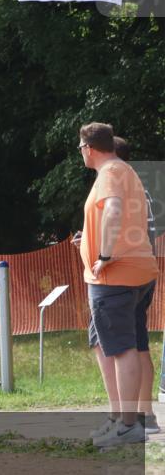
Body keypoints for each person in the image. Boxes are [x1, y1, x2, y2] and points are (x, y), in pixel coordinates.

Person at [74, 123, 157, 447]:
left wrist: (105, 255)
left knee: (121, 349)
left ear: (88, 148)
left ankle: (127, 425)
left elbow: (114, 210)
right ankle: (125, 420)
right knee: (128, 345)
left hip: (115, 275)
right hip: (136, 270)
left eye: (81, 148)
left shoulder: (109, 172)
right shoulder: (125, 171)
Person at [113, 136, 159, 435]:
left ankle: (134, 418)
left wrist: (103, 254)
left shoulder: (124, 189)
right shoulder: (141, 189)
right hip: (145, 270)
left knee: (131, 346)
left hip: (129, 274)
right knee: (139, 342)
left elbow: (123, 232)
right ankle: (146, 413)